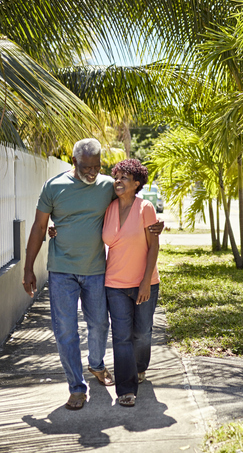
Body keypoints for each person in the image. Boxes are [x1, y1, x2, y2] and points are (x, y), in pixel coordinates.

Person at [22, 139, 163, 411]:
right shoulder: (53, 187)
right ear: (74, 162)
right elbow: (40, 227)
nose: (92, 173)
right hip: (61, 269)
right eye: (86, 167)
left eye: (97, 167)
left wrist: (156, 224)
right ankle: (76, 388)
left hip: (97, 270)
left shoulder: (106, 187)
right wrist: (28, 267)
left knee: (99, 325)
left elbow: (133, 200)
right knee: (65, 330)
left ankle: (96, 364)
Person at [103, 159, 160, 407]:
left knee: (142, 333)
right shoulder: (108, 208)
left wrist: (146, 282)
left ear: (136, 184)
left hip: (144, 282)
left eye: (125, 178)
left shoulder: (145, 207)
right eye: (117, 176)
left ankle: (139, 367)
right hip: (114, 283)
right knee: (121, 336)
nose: (118, 181)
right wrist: (57, 230)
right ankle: (126, 388)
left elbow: (154, 245)